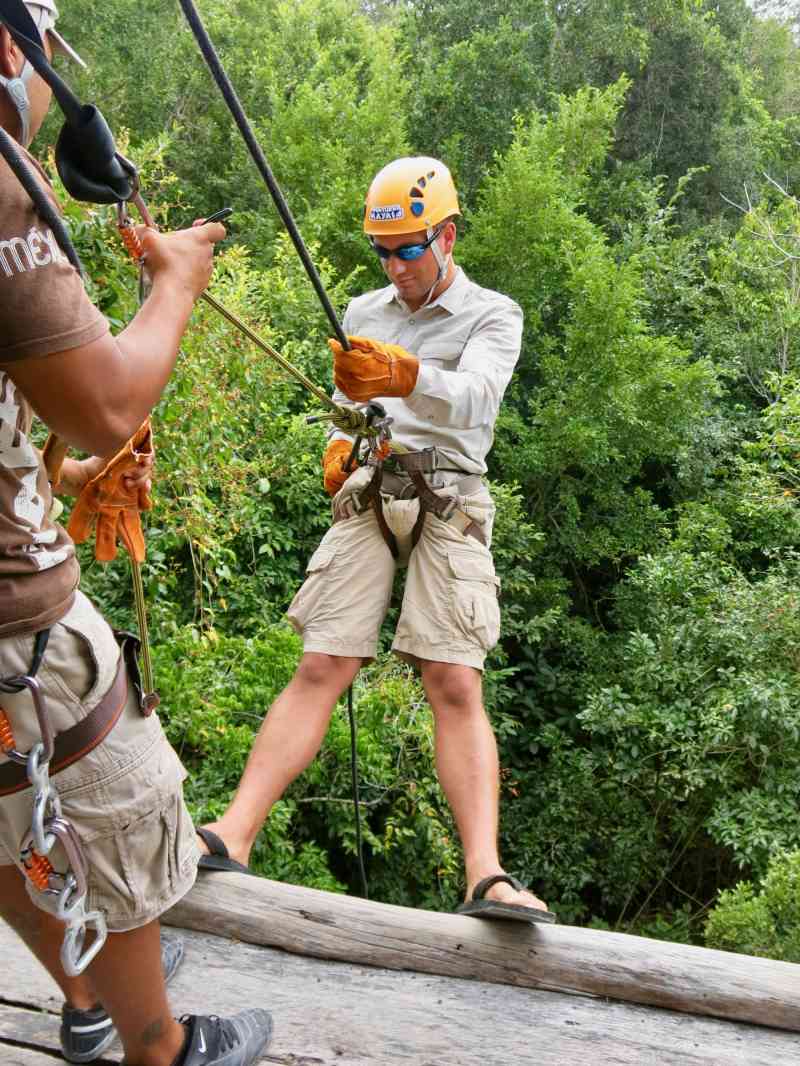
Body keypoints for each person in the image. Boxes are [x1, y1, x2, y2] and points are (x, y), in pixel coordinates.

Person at [0, 4, 274, 1064]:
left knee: (12, 818)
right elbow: (106, 402)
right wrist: (174, 285)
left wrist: (49, 472)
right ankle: (157, 1046)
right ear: (11, 50)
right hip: (16, 630)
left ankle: (85, 995)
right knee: (101, 805)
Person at [197, 156, 554, 923]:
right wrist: (338, 439)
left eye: (409, 250)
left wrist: (403, 376)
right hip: (373, 482)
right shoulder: (364, 310)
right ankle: (234, 833)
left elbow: (476, 398)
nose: (395, 267)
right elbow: (346, 404)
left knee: (453, 680)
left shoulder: (494, 314)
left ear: (446, 237)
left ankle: (485, 875)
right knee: (324, 660)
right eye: (383, 253)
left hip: (452, 491)